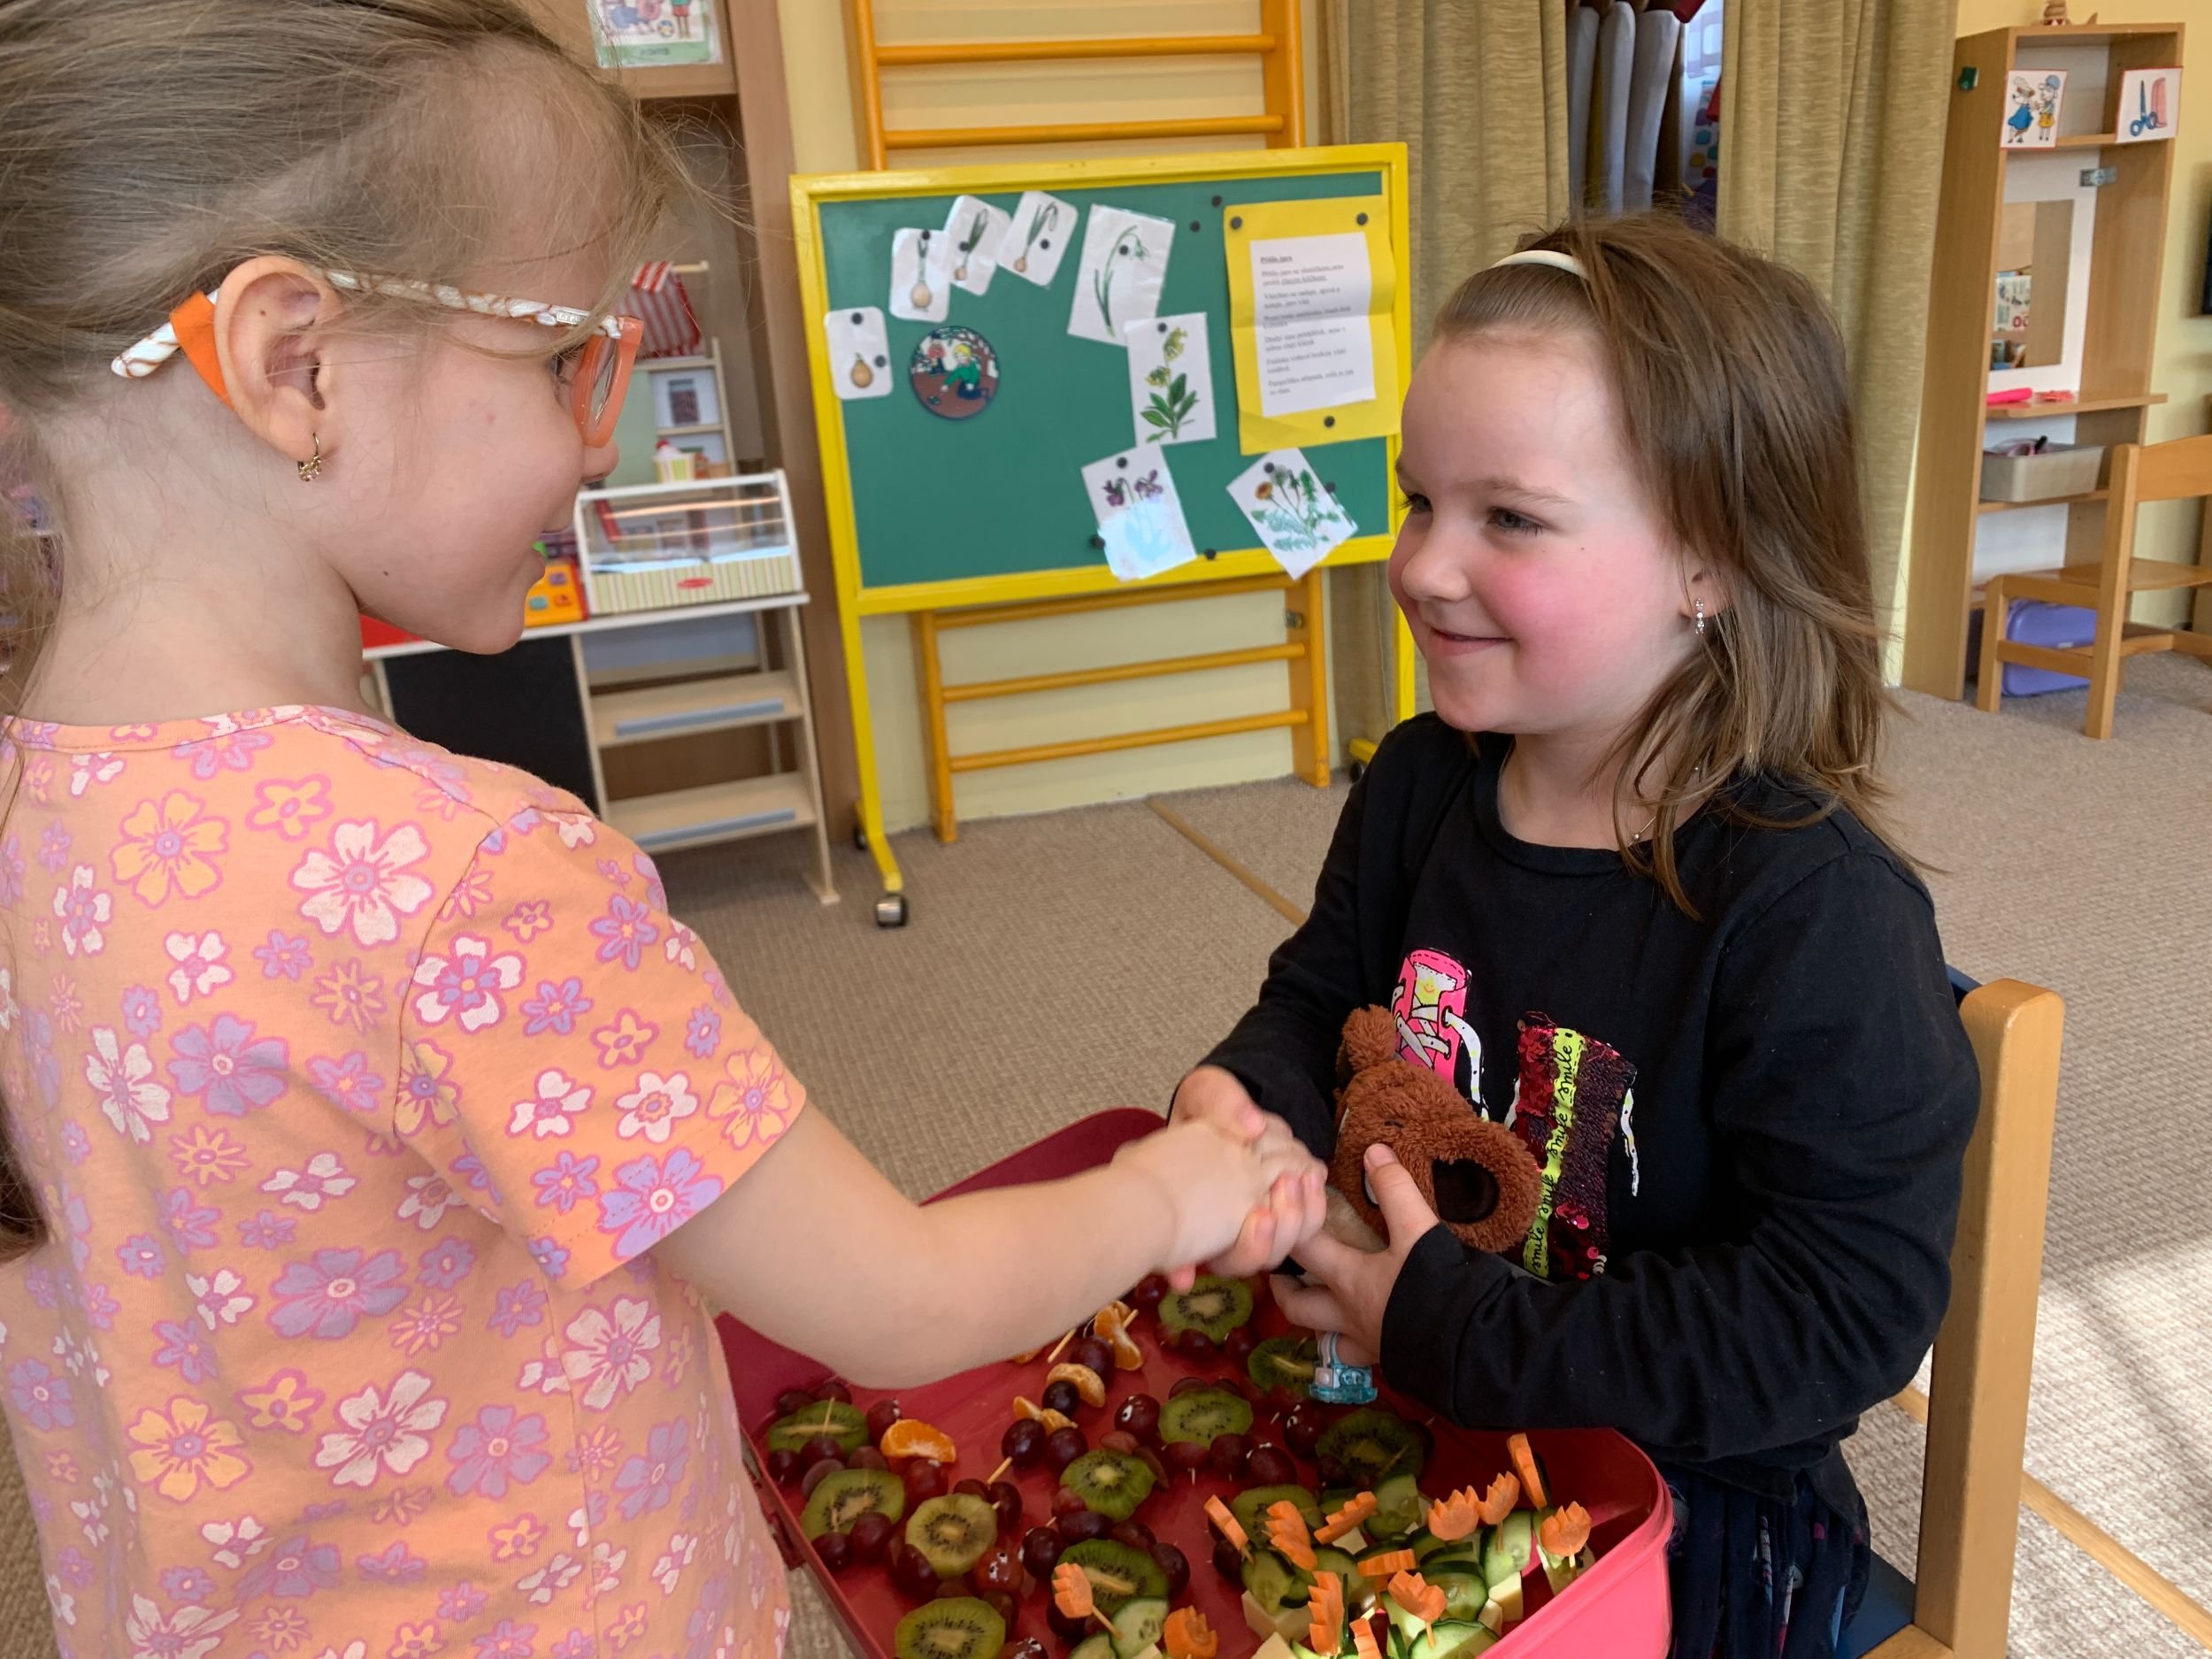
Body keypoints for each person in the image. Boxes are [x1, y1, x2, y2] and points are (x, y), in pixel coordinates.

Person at [0, 4, 1330, 1652]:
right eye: (567, 357)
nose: (606, 435)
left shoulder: (36, 799)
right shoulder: (464, 882)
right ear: (297, 362)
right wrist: (1176, 1191)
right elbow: (904, 1303)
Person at [1171, 215, 1978, 1659]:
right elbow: (1317, 1002)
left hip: (1688, 1494)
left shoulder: (1817, 911)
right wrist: (1243, 1099)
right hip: (1413, 1393)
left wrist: (1460, 1331)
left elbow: (1835, 1318)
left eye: (1511, 519)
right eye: (1419, 501)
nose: (1423, 566)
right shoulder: (1420, 783)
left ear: (1711, 561)